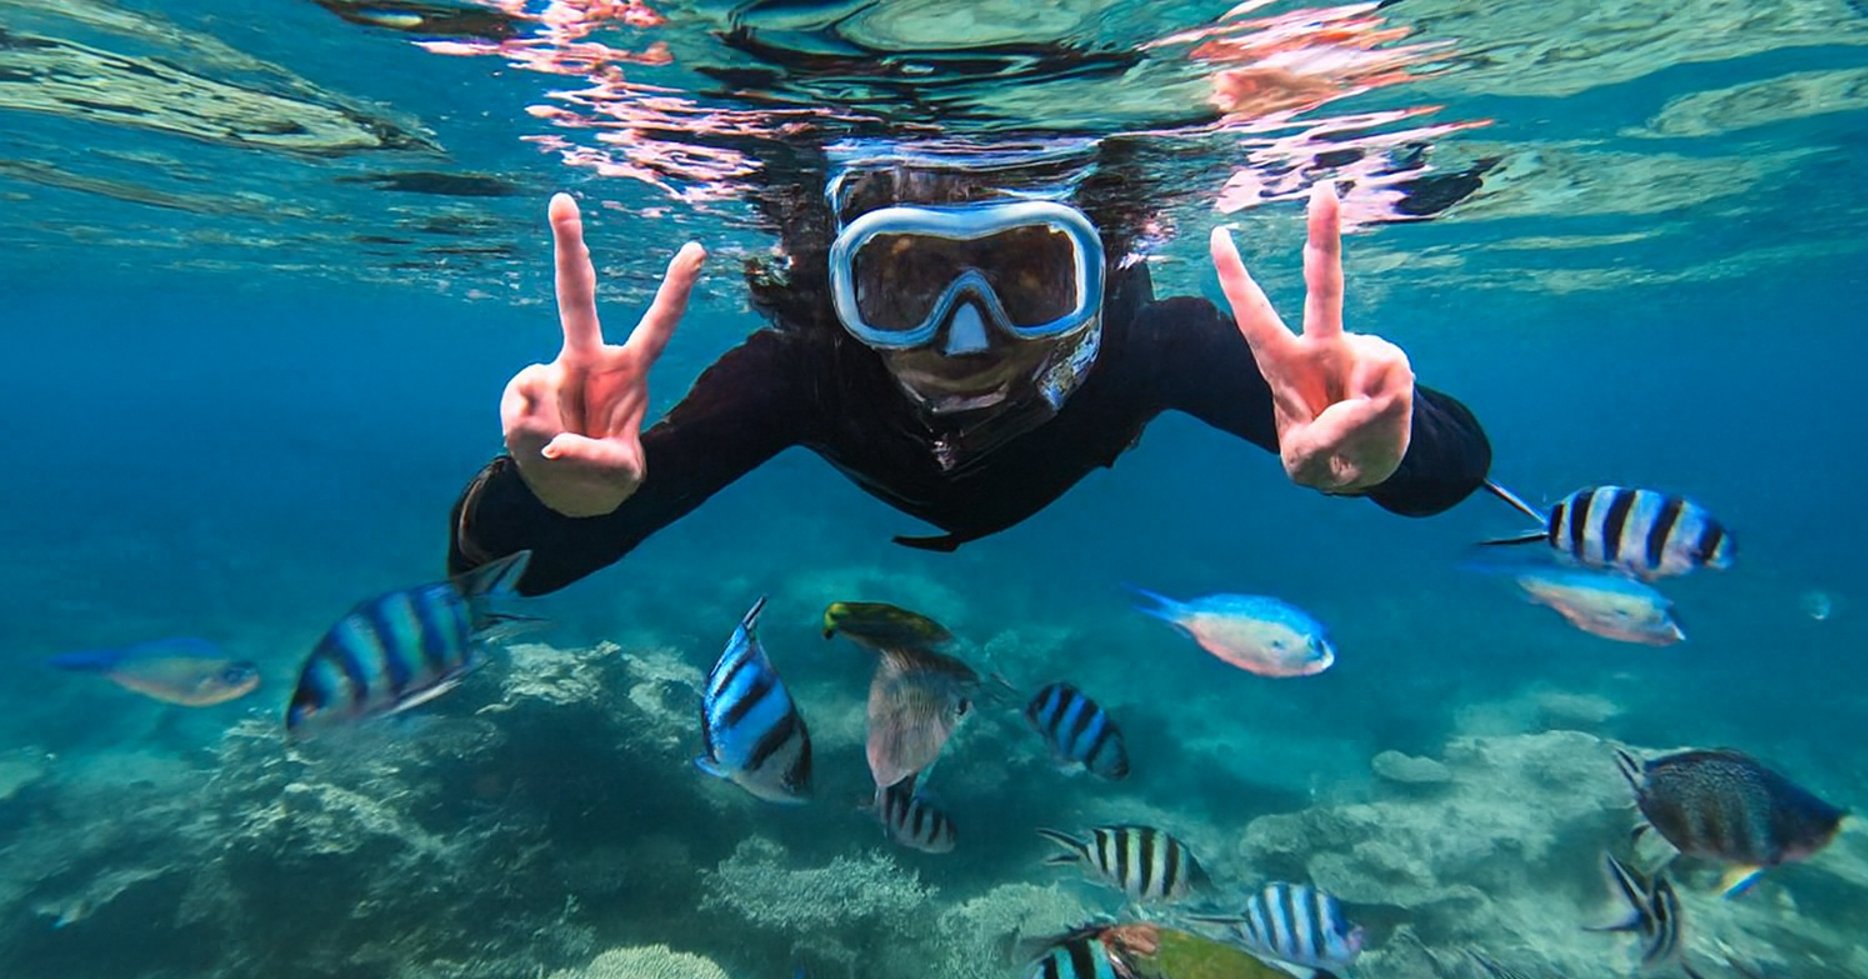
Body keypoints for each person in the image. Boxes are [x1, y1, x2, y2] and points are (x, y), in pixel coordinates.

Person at [446, 142, 1491, 594]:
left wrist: (1394, 444)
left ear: (1101, 268)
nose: (963, 337)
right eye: (903, 281)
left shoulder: (1154, 346)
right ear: (835, 285)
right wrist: (547, 495)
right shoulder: (797, 375)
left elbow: (1451, 473)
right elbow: (508, 566)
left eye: (1032, 277)